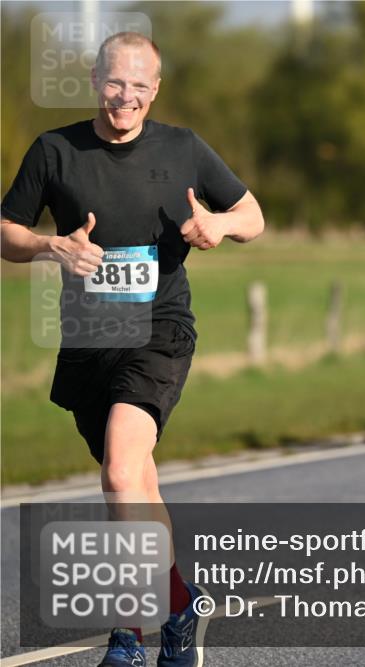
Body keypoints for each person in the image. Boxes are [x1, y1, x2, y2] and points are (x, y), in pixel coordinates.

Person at [1, 32, 265, 666]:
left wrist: (220, 224)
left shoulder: (183, 147)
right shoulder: (55, 150)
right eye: (116, 82)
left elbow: (253, 214)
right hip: (89, 340)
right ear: (95, 80)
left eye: (140, 85)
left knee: (121, 472)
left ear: (156, 89)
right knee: (135, 482)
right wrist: (51, 246)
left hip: (159, 331)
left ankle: (129, 632)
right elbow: (6, 231)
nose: (127, 96)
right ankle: (179, 608)